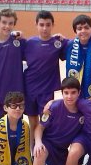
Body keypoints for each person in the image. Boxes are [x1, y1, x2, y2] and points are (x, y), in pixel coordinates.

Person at [32, 77, 84, 165]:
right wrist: (38, 142)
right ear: (62, 93)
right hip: (48, 143)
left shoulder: (83, 110)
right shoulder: (54, 107)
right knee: (39, 153)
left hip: (62, 151)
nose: (69, 96)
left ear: (79, 93)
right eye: (66, 93)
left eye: (73, 92)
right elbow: (39, 128)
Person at [23, 10, 68, 148]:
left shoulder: (58, 43)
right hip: (29, 88)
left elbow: (74, 45)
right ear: (36, 25)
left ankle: (44, 150)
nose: (44, 28)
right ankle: (31, 151)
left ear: (53, 25)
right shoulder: (29, 43)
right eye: (41, 24)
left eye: (48, 25)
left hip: (47, 91)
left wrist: (64, 39)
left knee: (45, 121)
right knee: (32, 121)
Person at [0, 9, 25, 124]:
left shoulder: (18, 42)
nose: (7, 26)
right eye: (4, 22)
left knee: (16, 131)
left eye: (10, 23)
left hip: (16, 96)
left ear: (14, 25)